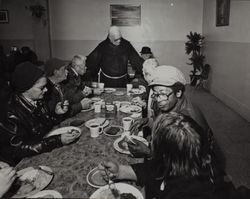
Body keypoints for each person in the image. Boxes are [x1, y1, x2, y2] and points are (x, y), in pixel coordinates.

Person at [99, 113, 220, 199]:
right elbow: (153, 170)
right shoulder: (181, 164)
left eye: (153, 142)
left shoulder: (188, 193)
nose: (150, 144)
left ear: (165, 155)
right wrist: (120, 171)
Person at [0, 62, 79, 166]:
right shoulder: (9, 111)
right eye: (41, 88)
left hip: (41, 152)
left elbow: (44, 127)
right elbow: (18, 148)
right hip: (20, 164)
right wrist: (57, 141)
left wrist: (57, 114)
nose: (46, 90)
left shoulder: (38, 99)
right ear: (25, 89)